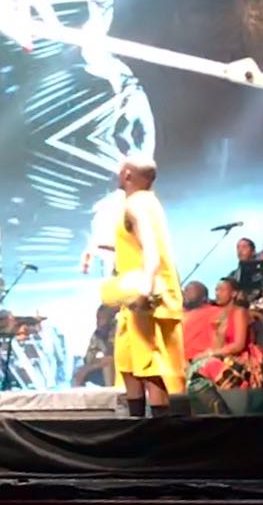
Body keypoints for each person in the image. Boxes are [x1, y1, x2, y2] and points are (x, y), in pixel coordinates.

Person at [110, 157, 185, 416]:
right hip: (138, 296)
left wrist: (144, 291)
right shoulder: (149, 203)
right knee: (129, 364)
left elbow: (151, 252)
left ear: (128, 174)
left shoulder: (136, 206)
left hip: (146, 297)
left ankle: (158, 430)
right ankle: (138, 425)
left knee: (150, 367)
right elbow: (136, 244)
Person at [187, 278, 263, 389]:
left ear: (233, 293)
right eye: (216, 290)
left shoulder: (239, 312)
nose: (218, 293)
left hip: (242, 358)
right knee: (199, 365)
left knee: (209, 364)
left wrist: (209, 353)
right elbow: (217, 347)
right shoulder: (218, 316)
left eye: (222, 290)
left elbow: (238, 345)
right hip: (225, 357)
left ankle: (237, 387)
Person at [72, 305, 118, 387]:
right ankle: (79, 394)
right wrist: (86, 368)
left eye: (101, 318)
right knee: (79, 372)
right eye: (98, 318)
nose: (98, 322)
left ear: (111, 319)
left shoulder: (117, 329)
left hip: (122, 370)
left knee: (108, 364)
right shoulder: (97, 334)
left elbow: (110, 356)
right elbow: (88, 359)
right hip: (105, 368)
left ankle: (112, 392)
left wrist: (91, 366)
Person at [180, 281, 216, 362]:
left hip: (200, 361)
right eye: (185, 290)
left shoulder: (215, 312)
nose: (185, 293)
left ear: (203, 297)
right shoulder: (176, 313)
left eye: (190, 291)